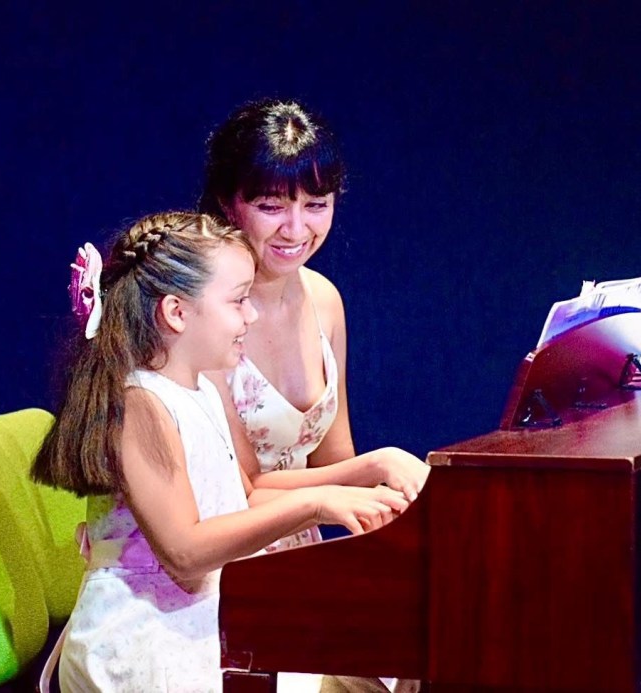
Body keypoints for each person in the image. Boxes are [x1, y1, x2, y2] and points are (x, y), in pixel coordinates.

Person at [31, 211, 409, 692]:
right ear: (176, 312)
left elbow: (242, 497)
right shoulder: (140, 402)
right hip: (143, 640)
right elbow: (186, 554)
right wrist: (315, 505)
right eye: (238, 301)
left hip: (201, 616)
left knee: (379, 663)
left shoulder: (201, 388)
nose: (251, 316)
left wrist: (363, 479)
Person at [199, 98, 429, 551]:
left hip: (301, 550)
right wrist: (379, 465)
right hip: (222, 555)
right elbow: (241, 488)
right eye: (271, 206)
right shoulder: (201, 312)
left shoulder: (323, 298)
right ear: (228, 203)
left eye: (316, 204)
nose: (296, 228)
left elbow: (334, 461)